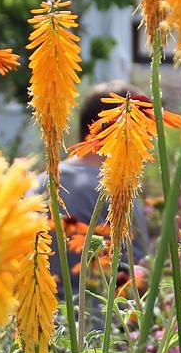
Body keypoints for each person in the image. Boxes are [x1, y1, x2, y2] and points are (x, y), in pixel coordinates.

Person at [48, 80, 150, 298]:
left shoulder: (39, 183)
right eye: (145, 127)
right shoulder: (118, 192)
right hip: (98, 315)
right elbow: (139, 276)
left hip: (34, 312)